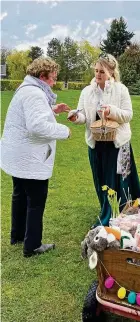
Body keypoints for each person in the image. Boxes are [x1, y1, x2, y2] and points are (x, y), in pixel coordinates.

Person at [1, 57, 71, 257]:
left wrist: (52, 111)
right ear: (42, 76)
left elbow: (32, 117)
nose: (54, 82)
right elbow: (37, 126)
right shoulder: (34, 93)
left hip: (18, 155)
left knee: (20, 195)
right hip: (29, 157)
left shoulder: (27, 89)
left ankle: (18, 235)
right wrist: (64, 131)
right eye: (53, 78)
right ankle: (32, 245)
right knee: (36, 200)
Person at [68, 53, 140, 227]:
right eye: (96, 71)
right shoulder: (87, 91)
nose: (98, 74)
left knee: (119, 180)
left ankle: (119, 214)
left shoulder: (121, 89)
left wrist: (112, 111)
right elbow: (84, 115)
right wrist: (75, 117)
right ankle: (106, 210)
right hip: (96, 144)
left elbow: (128, 115)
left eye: (102, 71)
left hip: (118, 144)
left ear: (111, 72)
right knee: (101, 180)